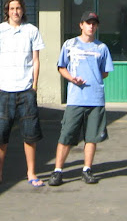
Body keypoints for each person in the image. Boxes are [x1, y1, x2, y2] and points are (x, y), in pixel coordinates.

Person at [0, 0, 45, 188]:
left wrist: (34, 85)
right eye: (11, 8)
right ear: (6, 11)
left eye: (18, 8)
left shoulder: (31, 31)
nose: (15, 12)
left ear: (23, 10)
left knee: (30, 134)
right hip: (5, 91)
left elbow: (35, 60)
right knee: (0, 136)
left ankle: (31, 173)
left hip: (26, 90)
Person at [48, 11, 114, 186]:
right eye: (88, 23)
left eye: (94, 23)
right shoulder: (70, 45)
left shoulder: (102, 48)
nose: (91, 26)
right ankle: (58, 171)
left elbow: (105, 72)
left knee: (91, 137)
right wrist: (72, 79)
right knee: (66, 136)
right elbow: (61, 67)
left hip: (95, 99)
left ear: (97, 26)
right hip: (76, 99)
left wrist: (92, 79)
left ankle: (87, 169)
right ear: (81, 25)